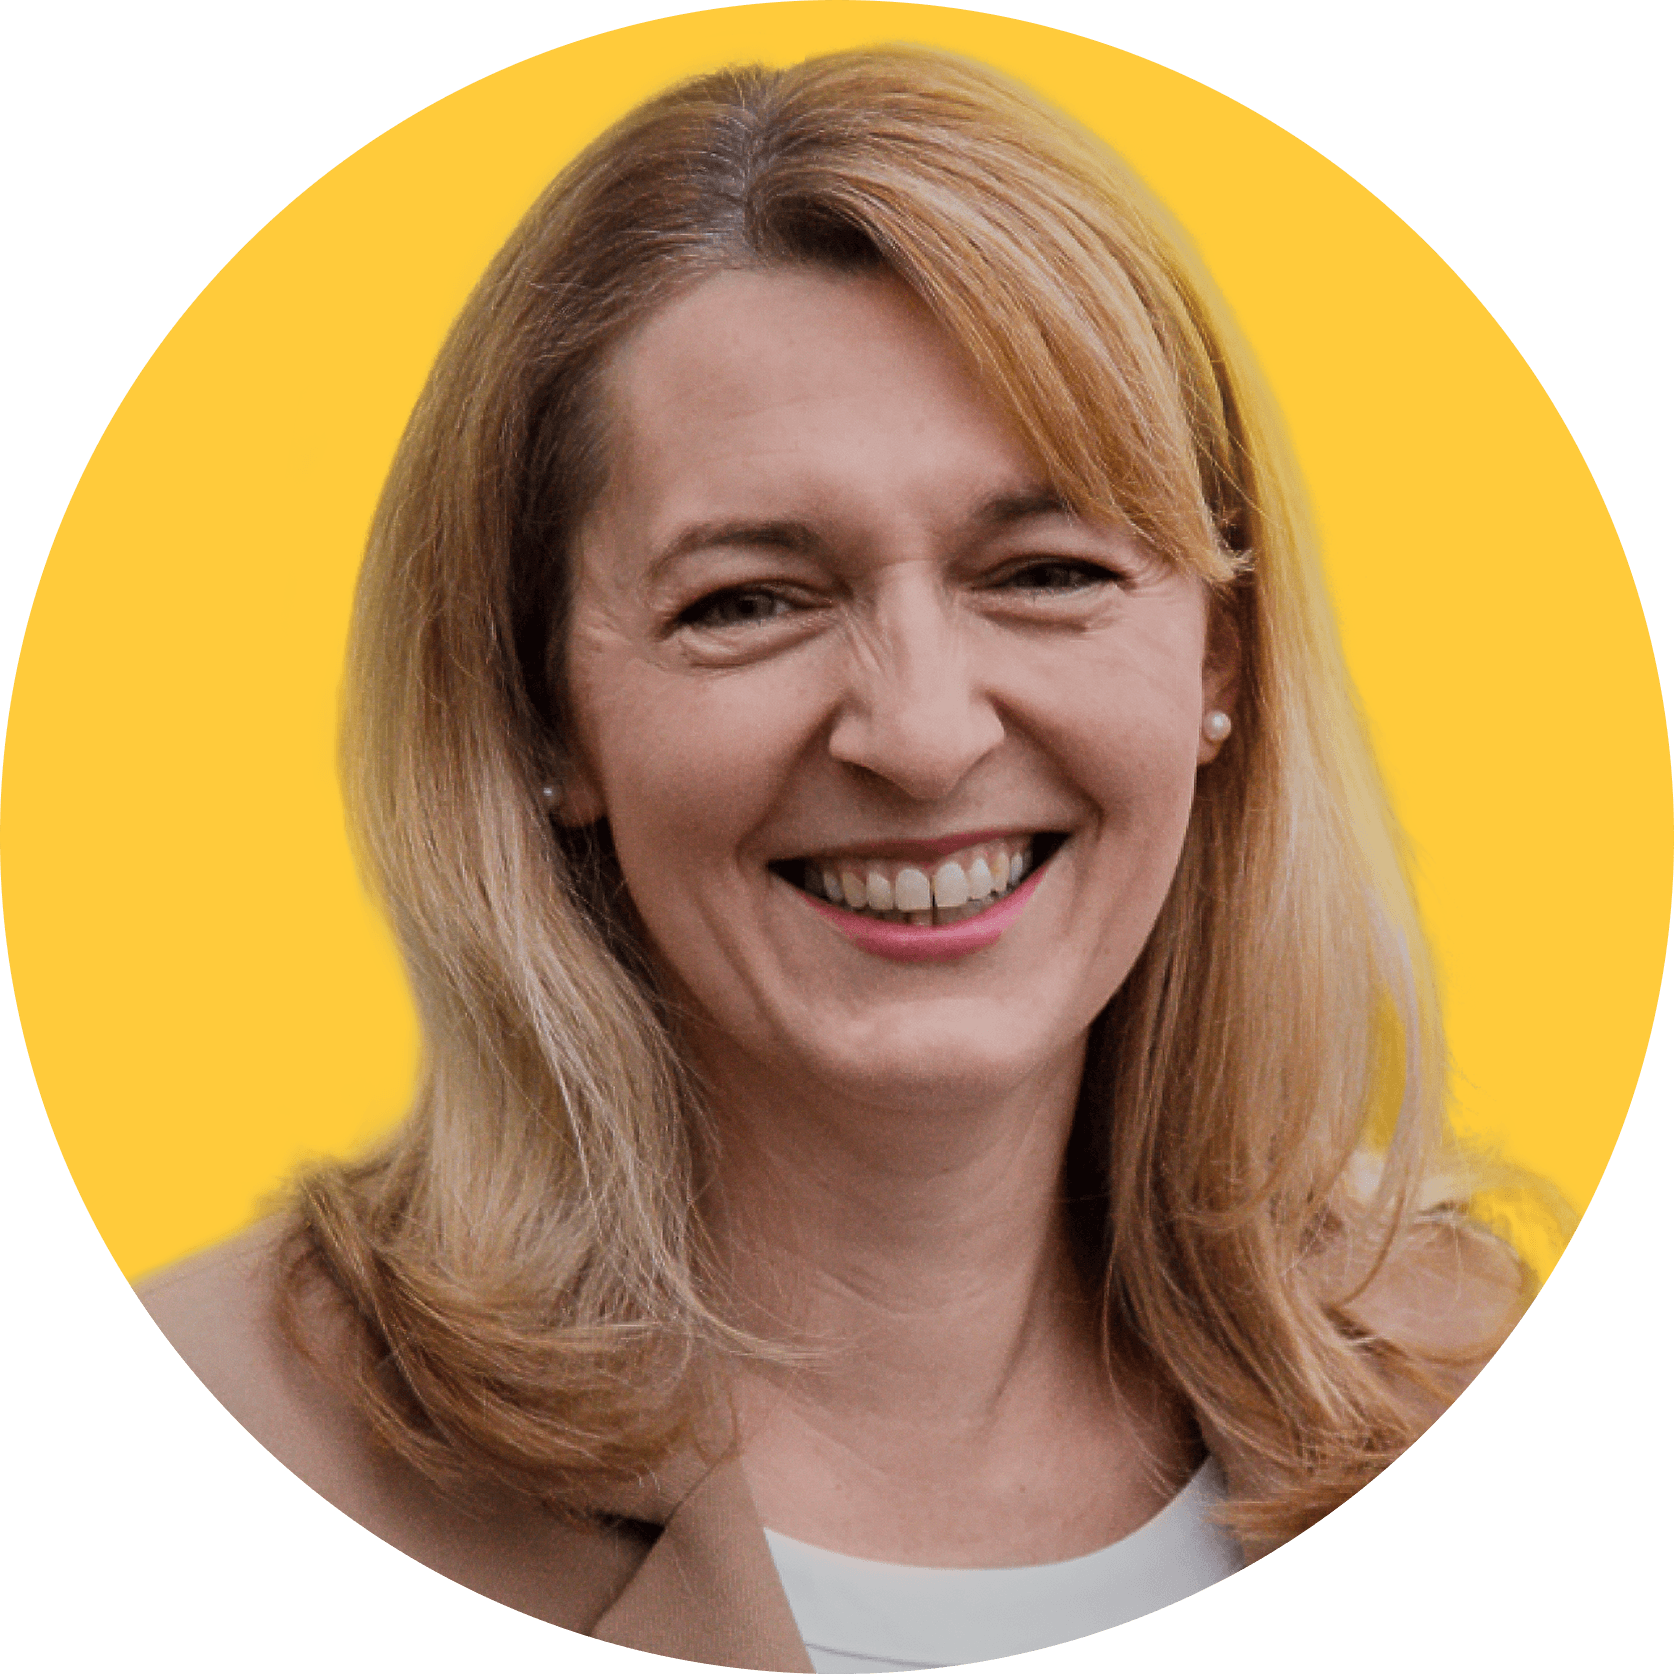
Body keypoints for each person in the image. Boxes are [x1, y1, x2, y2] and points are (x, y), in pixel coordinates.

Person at [142, 46, 1533, 1671]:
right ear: (542, 715)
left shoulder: (1483, 1385)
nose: (922, 734)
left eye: (1046, 570)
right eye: (747, 601)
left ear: (1214, 663)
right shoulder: (187, 1453)